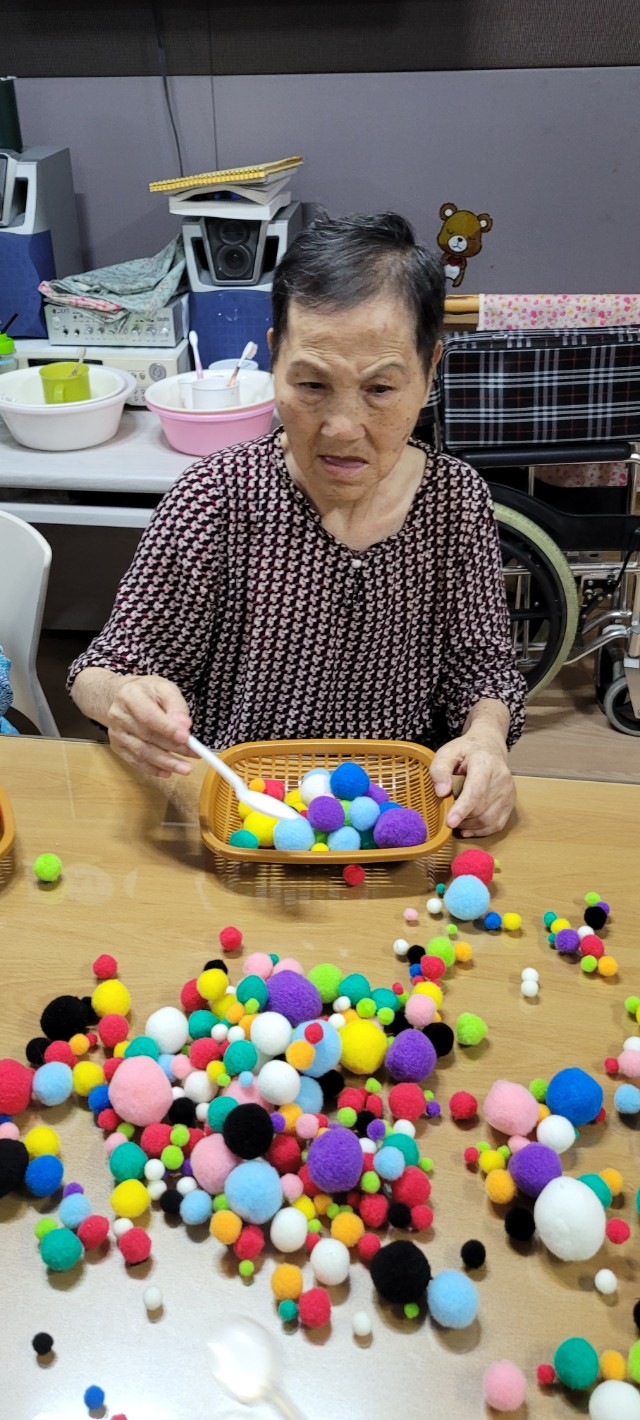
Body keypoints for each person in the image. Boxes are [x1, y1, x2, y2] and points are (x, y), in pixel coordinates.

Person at [69, 212, 526, 838]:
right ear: (274, 357)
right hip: (243, 818)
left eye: (380, 390)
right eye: (311, 384)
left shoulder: (455, 500)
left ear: (429, 370)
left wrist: (487, 739)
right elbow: (102, 668)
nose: (342, 428)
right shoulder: (216, 498)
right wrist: (121, 701)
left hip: (398, 821)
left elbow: (484, 669)